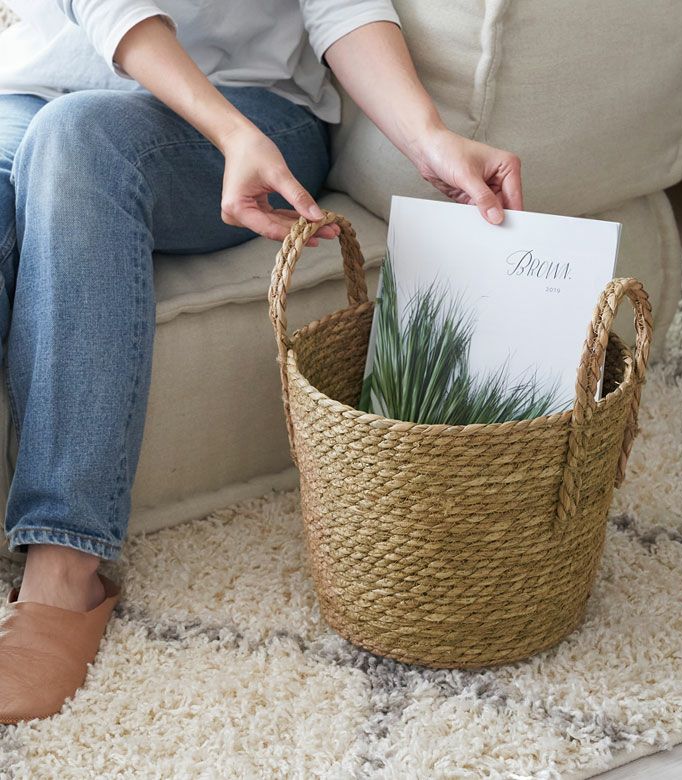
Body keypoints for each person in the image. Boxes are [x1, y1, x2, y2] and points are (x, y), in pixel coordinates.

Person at [0, 0, 523, 723]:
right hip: (31, 93)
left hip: (250, 110)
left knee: (78, 140)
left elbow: (343, 6)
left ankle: (64, 570)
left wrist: (428, 137)